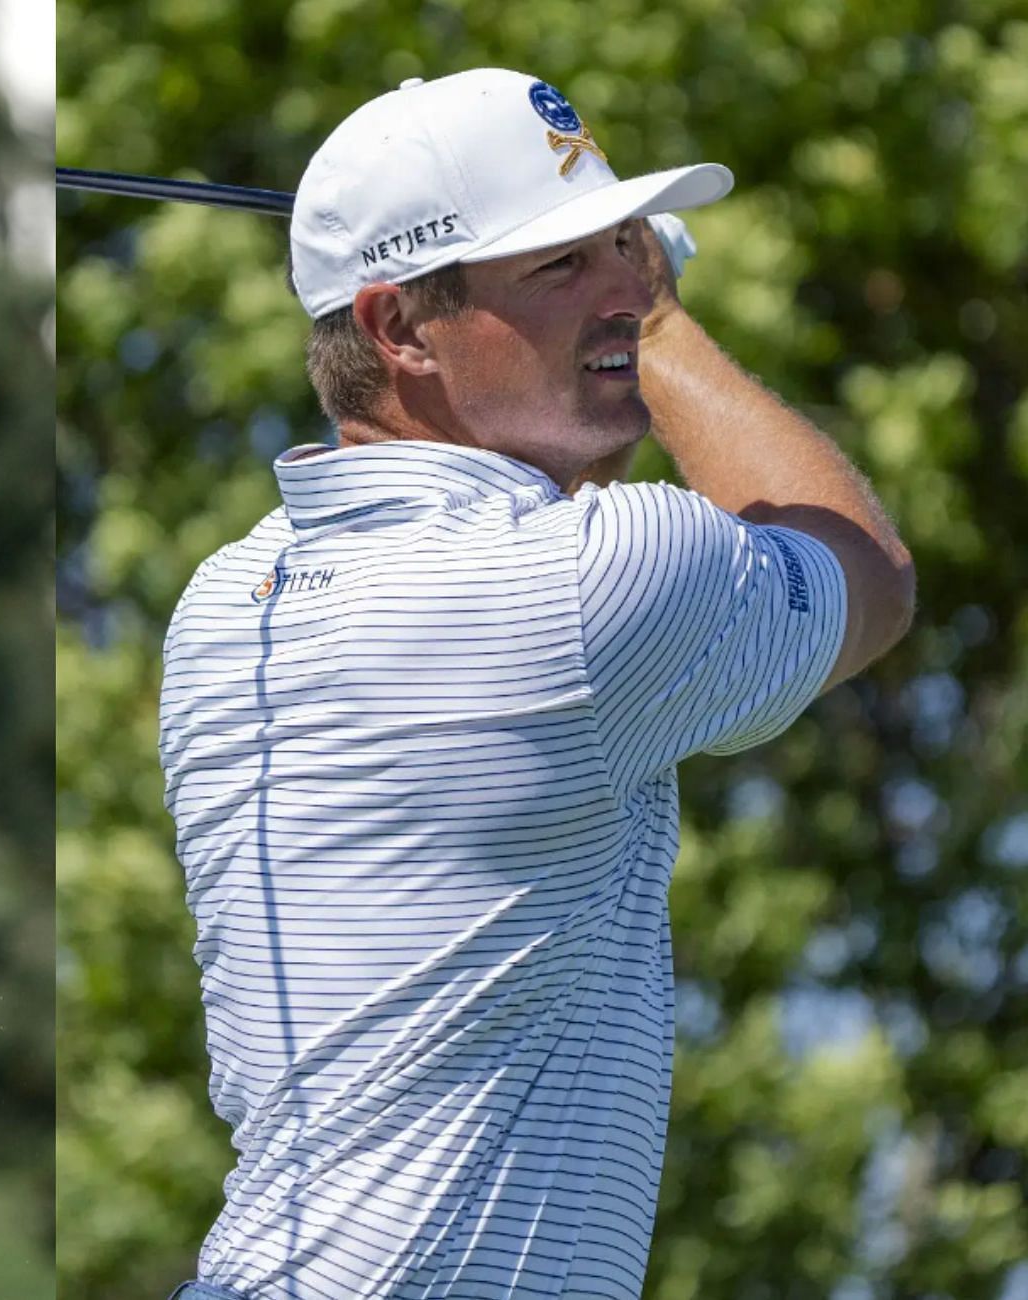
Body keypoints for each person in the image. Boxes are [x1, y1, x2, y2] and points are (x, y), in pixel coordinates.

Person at [157, 70, 912, 1300]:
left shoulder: (226, 602)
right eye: (562, 268)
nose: (618, 285)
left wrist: (588, 295)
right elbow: (866, 575)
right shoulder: (598, 581)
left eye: (622, 245)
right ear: (400, 330)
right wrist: (659, 327)